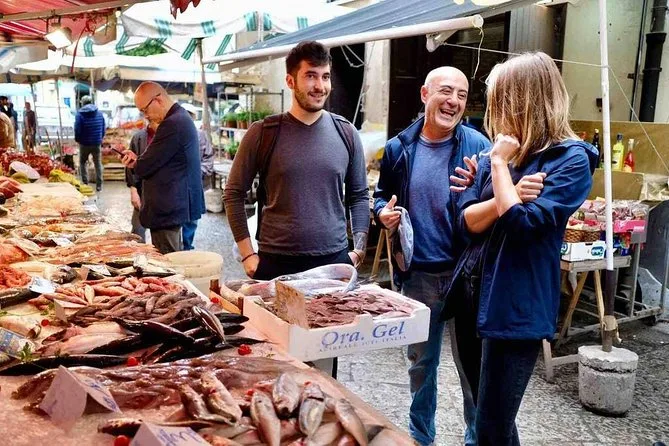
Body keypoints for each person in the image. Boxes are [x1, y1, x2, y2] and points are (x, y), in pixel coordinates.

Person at [445, 52, 597, 445]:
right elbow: (465, 222)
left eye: (499, 101)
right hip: (471, 297)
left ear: (522, 101)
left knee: (491, 428)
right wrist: (507, 193)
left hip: (515, 309)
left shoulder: (570, 160)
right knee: (485, 416)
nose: (493, 113)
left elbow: (523, 224)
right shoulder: (503, 155)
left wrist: (498, 167)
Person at [373, 67, 490, 446]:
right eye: (446, 91)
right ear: (425, 94)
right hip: (419, 275)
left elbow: (494, 201)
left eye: (461, 95)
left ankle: (476, 439)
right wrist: (381, 213)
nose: (453, 101)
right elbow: (380, 196)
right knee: (421, 365)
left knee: (472, 367)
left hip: (467, 275)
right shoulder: (398, 148)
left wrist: (484, 184)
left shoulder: (479, 146)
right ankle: (421, 438)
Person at [224, 41, 369, 280]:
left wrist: (359, 251)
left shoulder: (347, 133)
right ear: (290, 81)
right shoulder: (263, 133)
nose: (320, 86)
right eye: (310, 76)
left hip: (334, 260)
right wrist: (247, 254)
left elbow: (359, 194)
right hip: (276, 262)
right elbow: (233, 193)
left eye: (325, 77)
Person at [120, 82, 205, 254]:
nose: (145, 116)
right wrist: (138, 161)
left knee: (168, 262)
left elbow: (146, 166)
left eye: (145, 110)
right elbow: (158, 159)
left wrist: (137, 163)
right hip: (172, 206)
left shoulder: (172, 123)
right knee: (172, 256)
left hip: (168, 208)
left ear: (158, 100)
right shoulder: (180, 118)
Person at [181, 104, 215, 250]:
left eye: (190, 116)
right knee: (176, 218)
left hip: (194, 184)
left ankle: (187, 246)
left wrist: (198, 172)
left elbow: (208, 158)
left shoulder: (200, 135)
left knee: (192, 218)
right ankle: (176, 248)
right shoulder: (171, 134)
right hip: (176, 184)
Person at [125, 120, 158, 242]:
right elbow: (130, 168)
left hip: (164, 195)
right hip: (142, 191)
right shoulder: (138, 137)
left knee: (163, 239)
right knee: (137, 232)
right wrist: (133, 190)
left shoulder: (171, 136)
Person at [75, 95, 106, 192]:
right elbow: (103, 128)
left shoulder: (79, 115)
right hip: (96, 143)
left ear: (83, 103)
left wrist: (78, 139)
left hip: (84, 143)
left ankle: (85, 183)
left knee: (82, 162)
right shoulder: (99, 113)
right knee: (98, 163)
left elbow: (77, 129)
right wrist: (100, 138)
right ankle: (99, 185)